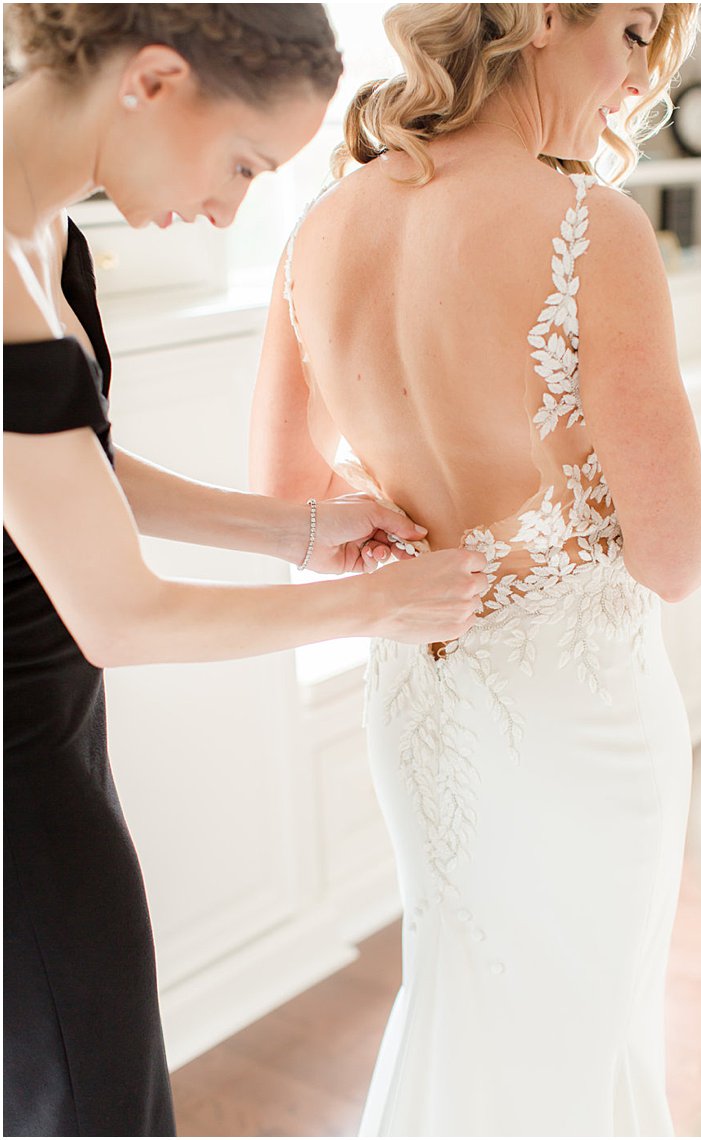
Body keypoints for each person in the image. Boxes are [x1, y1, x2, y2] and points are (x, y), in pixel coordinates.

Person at [2, 5, 496, 1135]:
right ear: (156, 79)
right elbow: (118, 617)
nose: (225, 210)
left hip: (49, 730)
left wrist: (292, 529)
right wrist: (373, 603)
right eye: (241, 166)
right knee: (91, 1100)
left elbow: (68, 471)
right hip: (13, 770)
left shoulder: (50, 237)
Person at [248, 4, 701, 1134]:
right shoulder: (590, 229)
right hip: (583, 716)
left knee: (463, 990)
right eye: (636, 29)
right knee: (578, 1026)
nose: (636, 75)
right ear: (546, 14)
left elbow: (285, 506)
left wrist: (414, 521)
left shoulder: (318, 224)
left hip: (421, 700)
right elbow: (678, 554)